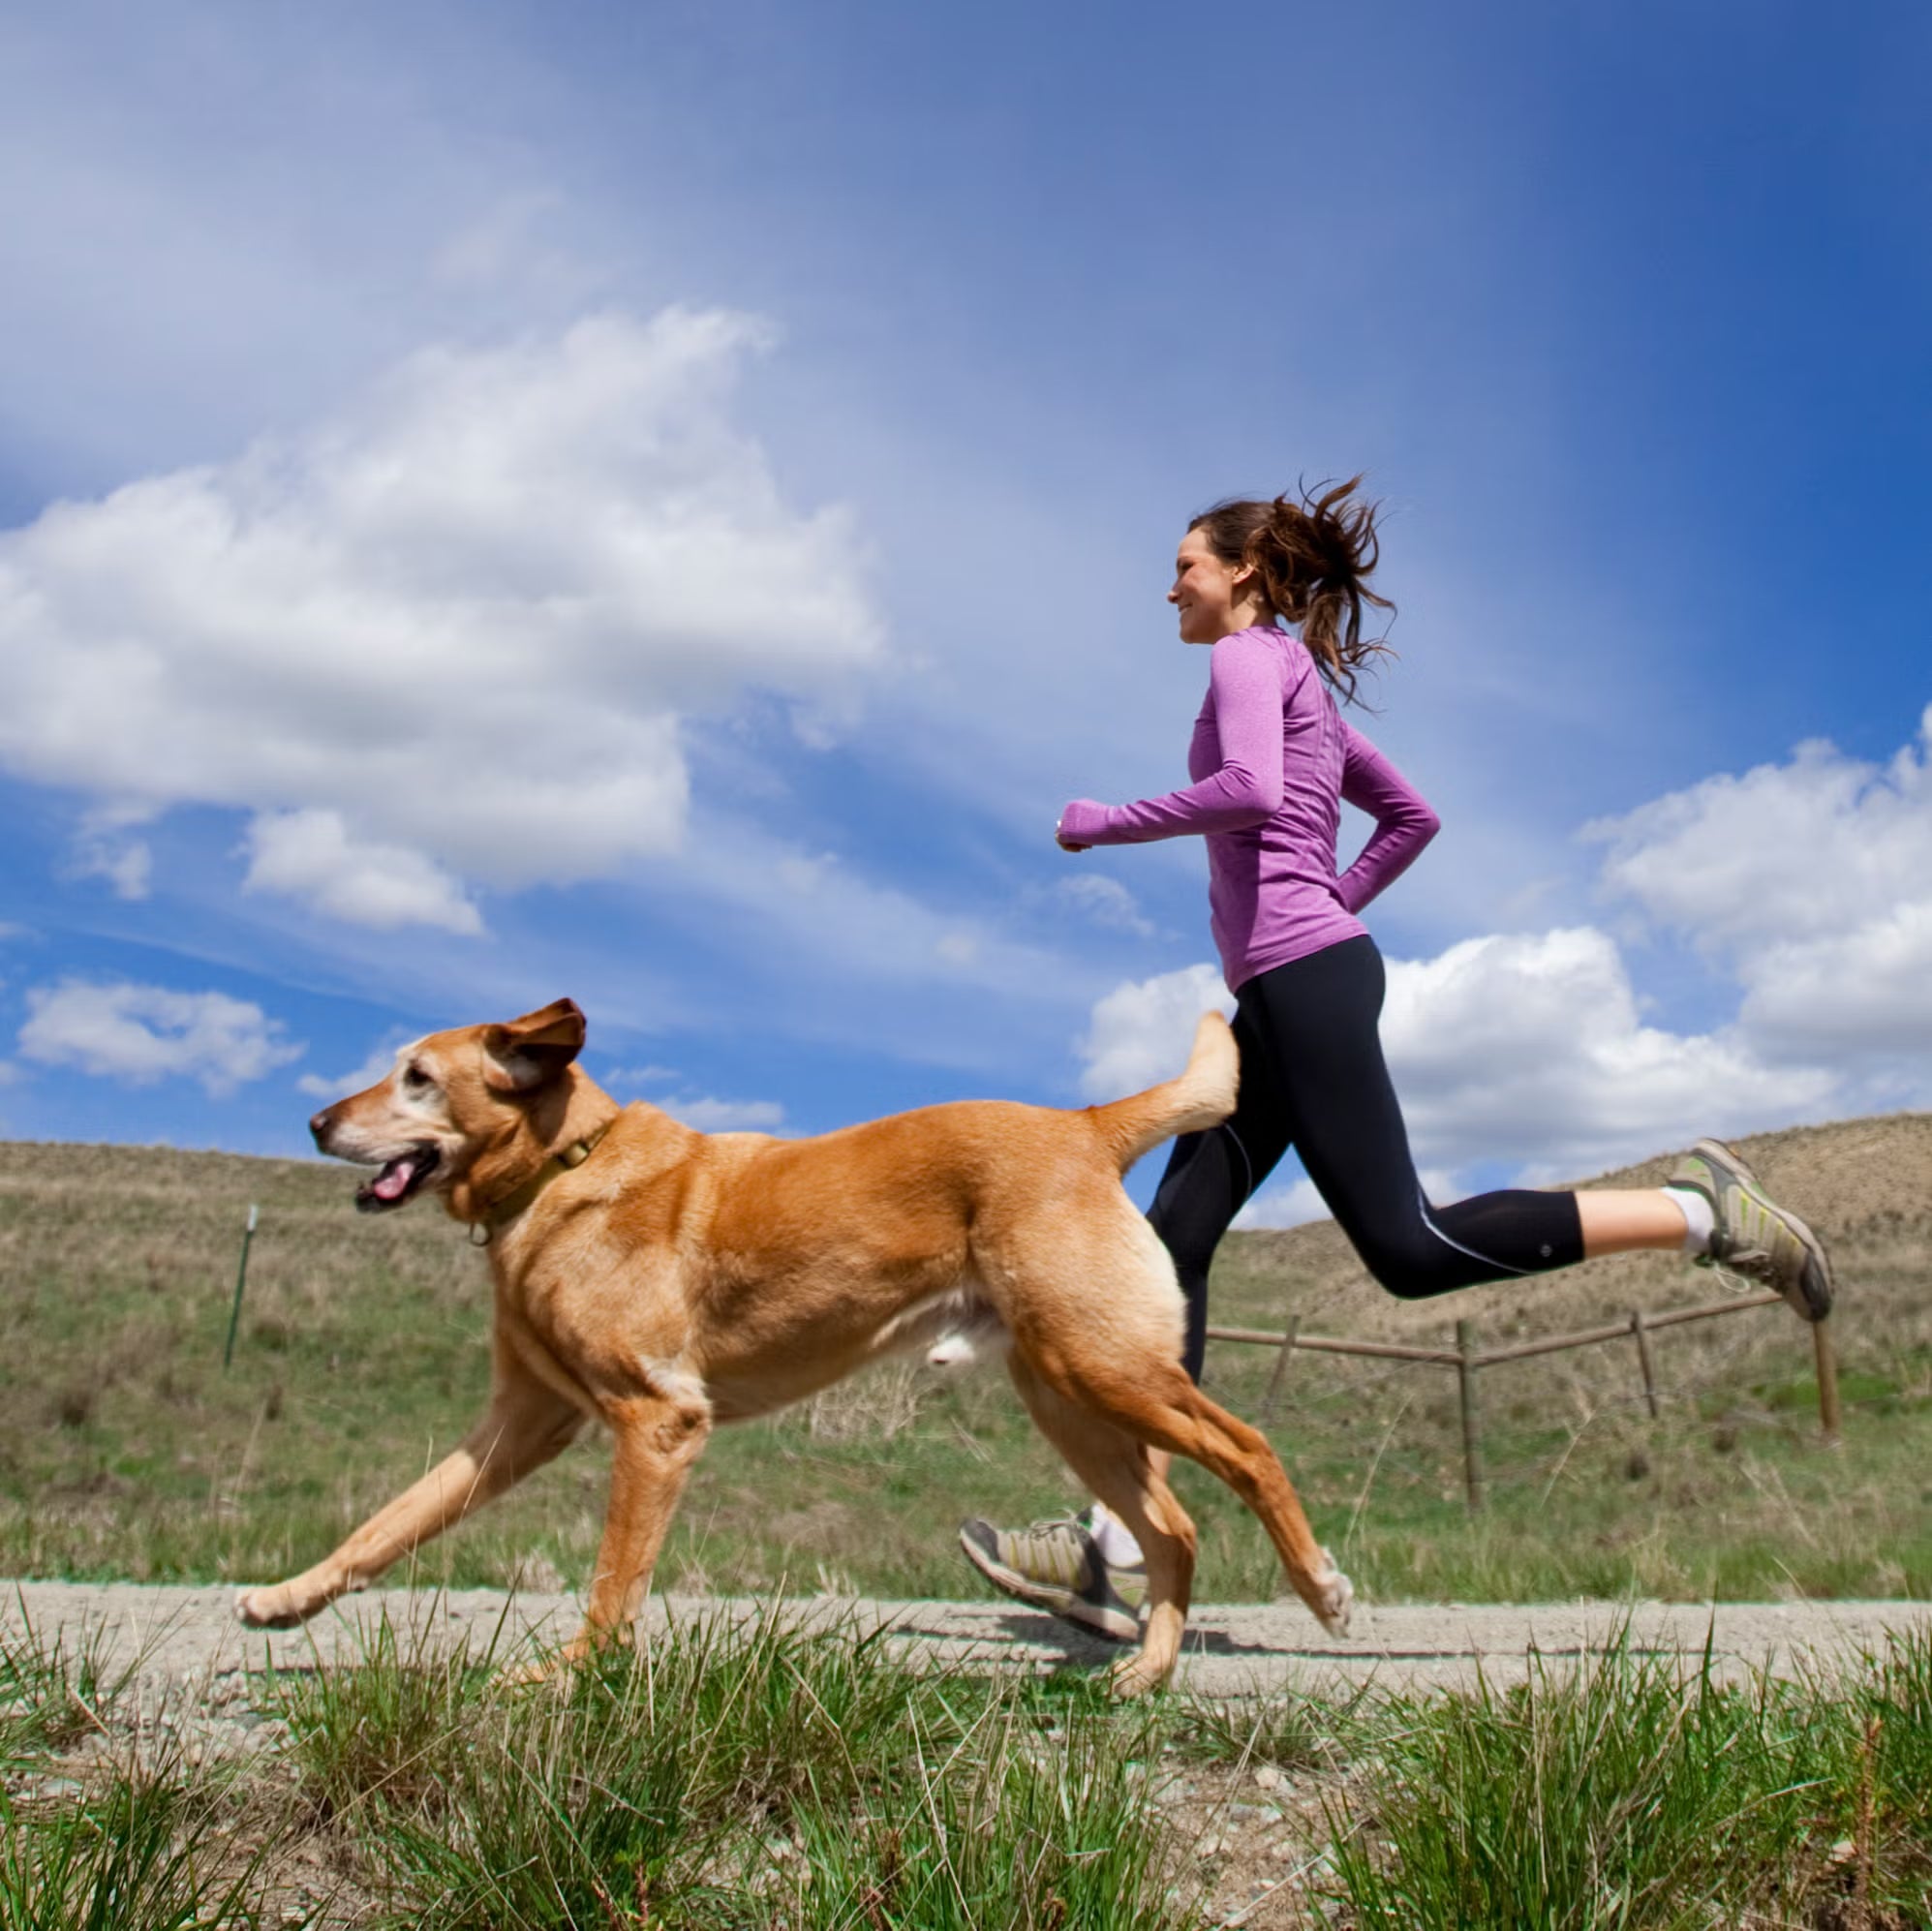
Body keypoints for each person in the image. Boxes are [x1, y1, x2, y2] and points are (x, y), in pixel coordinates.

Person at [957, 477, 1833, 1641]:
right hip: (1289, 984)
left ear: (1244, 574)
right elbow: (1411, 816)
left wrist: (1104, 819)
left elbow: (1254, 790)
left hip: (1302, 982)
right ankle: (1113, 1543)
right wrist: (1329, 906)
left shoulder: (1244, 662)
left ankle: (1701, 1211)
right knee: (1170, 1245)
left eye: (1186, 565)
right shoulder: (1301, 683)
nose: (1169, 584)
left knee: (1408, 1249)